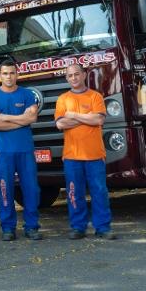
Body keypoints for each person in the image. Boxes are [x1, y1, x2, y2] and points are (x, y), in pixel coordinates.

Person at [54, 63, 116, 240]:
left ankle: (103, 227)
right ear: (67, 78)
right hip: (72, 156)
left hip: (94, 155)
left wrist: (73, 115)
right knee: (74, 193)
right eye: (70, 75)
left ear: (84, 75)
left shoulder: (95, 96)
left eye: (76, 74)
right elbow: (60, 124)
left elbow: (99, 120)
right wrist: (87, 118)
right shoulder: (63, 99)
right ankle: (78, 227)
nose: (73, 78)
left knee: (99, 192)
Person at [0, 60, 42, 241]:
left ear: (17, 74)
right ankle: (8, 228)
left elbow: (32, 118)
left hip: (25, 150)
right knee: (5, 189)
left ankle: (31, 227)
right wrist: (21, 119)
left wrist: (6, 117)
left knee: (31, 189)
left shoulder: (27, 94)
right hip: (4, 151)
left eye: (12, 73)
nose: (8, 77)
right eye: (5, 73)